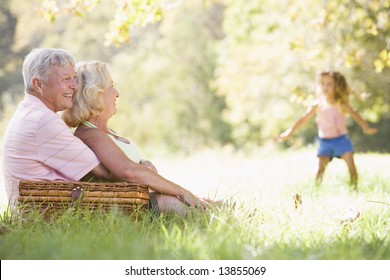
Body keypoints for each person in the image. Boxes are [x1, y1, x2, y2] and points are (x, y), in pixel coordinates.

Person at [62, 60, 212, 215]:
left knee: (211, 203)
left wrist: (144, 163)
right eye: (111, 86)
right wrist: (183, 192)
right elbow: (128, 171)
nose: (117, 93)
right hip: (123, 207)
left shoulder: (106, 132)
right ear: (95, 93)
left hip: (140, 198)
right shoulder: (90, 134)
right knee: (197, 209)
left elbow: (129, 166)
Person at [2, 48, 112, 206]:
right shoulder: (42, 120)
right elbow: (103, 171)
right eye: (66, 79)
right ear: (38, 84)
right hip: (44, 217)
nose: (74, 86)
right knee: (157, 201)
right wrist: (140, 167)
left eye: (74, 78)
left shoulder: (30, 113)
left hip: (41, 212)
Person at [278, 71, 377, 187]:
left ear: (336, 87)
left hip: (341, 140)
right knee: (320, 170)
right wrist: (290, 132)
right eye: (322, 83)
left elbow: (356, 115)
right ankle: (315, 189)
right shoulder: (317, 105)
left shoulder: (341, 104)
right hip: (325, 141)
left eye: (329, 84)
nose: (325, 87)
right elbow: (303, 119)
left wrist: (365, 127)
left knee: (352, 167)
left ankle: (354, 188)